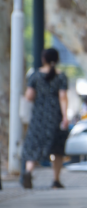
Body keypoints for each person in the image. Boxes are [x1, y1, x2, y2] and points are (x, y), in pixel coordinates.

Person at [21, 48, 69, 189]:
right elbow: (63, 98)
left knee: (33, 145)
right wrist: (65, 116)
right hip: (55, 117)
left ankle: (28, 171)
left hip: (38, 117)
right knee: (57, 149)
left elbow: (29, 96)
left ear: (43, 59)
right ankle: (56, 180)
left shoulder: (35, 76)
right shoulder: (61, 77)